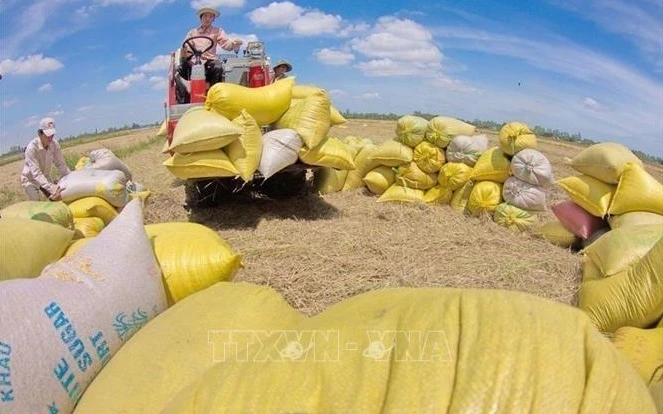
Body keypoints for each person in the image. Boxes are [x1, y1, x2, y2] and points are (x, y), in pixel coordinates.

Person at [178, 7, 243, 89]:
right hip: (194, 61)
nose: (207, 19)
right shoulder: (192, 32)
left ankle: (213, 93)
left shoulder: (218, 31)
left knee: (218, 67)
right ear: (201, 18)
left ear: (213, 19)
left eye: (211, 17)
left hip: (210, 60)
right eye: (205, 16)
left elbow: (226, 44)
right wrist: (184, 54)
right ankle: (185, 95)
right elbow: (185, 48)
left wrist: (234, 43)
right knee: (180, 69)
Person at [20, 117, 70, 201]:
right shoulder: (31, 148)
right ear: (40, 133)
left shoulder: (54, 144)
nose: (50, 138)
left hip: (45, 177)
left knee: (57, 199)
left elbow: (60, 164)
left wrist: (69, 178)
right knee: (36, 199)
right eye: (48, 135)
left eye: (52, 135)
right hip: (31, 179)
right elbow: (36, 174)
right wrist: (52, 189)